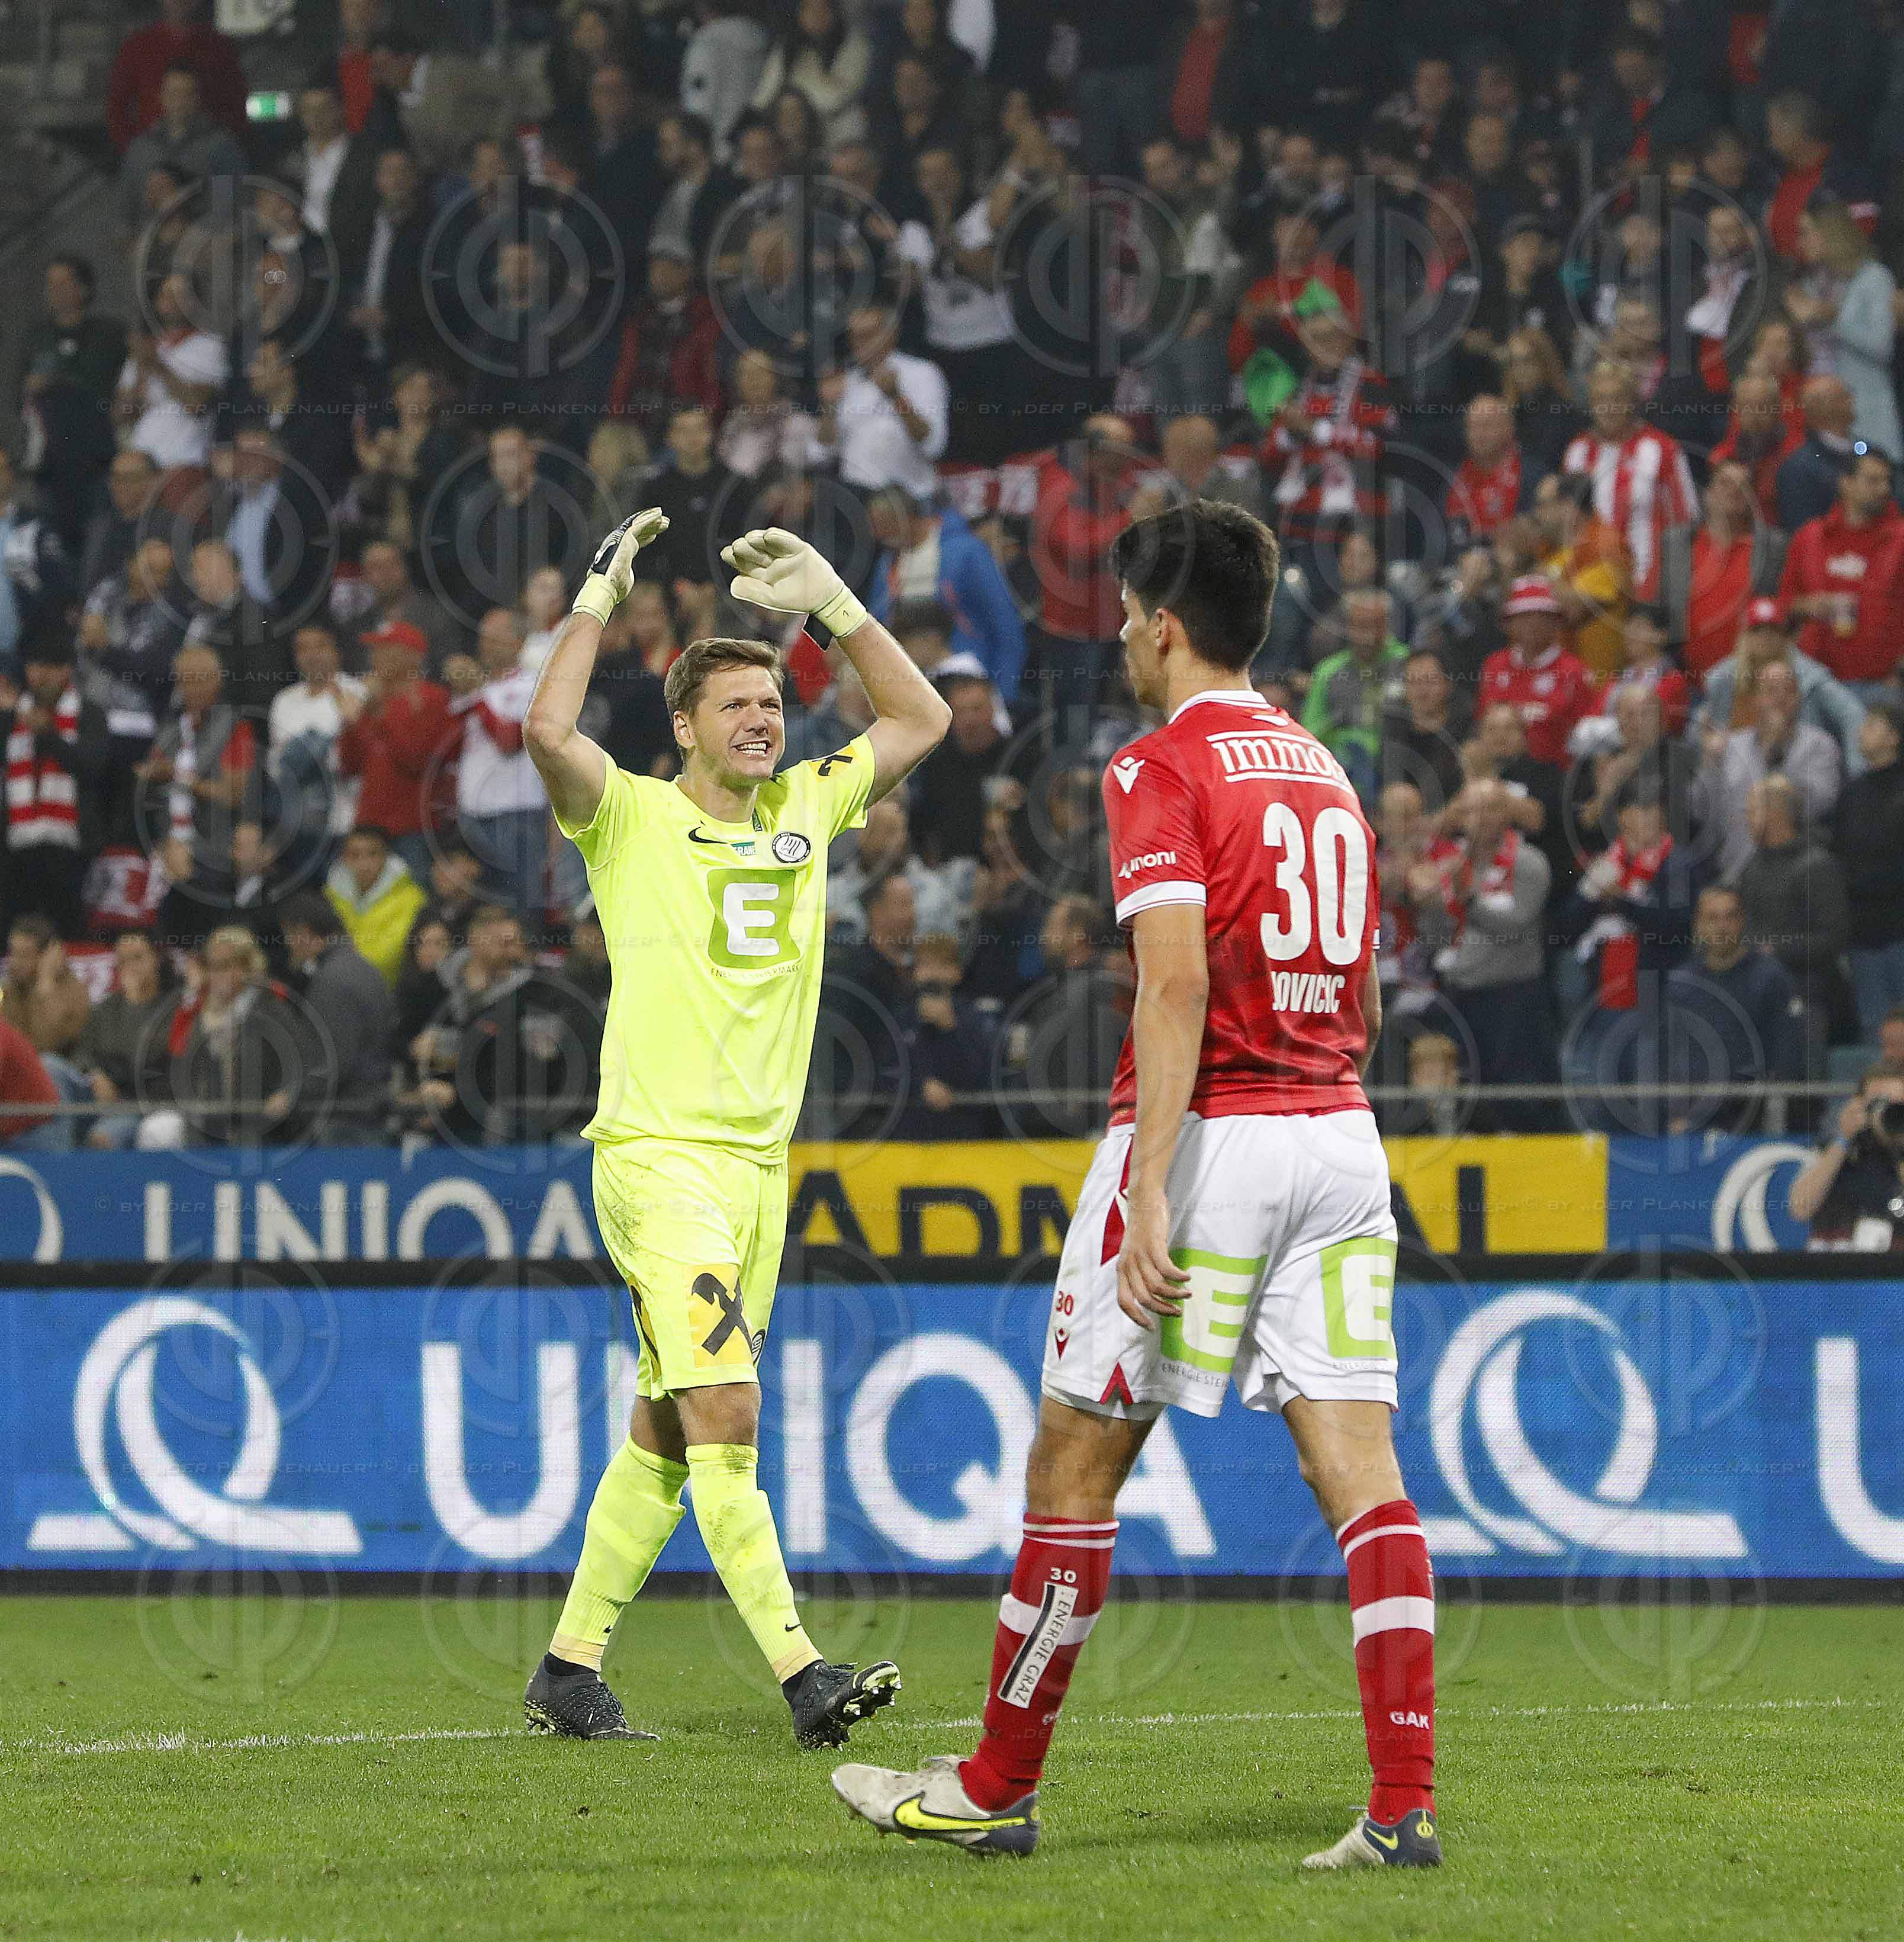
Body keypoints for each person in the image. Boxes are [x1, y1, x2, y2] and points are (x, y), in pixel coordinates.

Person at [832, 500, 1442, 1872]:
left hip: (1212, 1131)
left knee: (1074, 1459)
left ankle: (992, 1783)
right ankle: (1401, 1806)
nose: (1115, 631)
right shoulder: (1323, 768)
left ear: (1164, 625)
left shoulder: (1156, 766)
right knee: (1365, 1477)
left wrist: (1152, 1187)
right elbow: (1361, 990)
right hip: (1341, 1130)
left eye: (1122, 612)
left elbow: (1174, 983)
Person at [519, 509, 948, 1745]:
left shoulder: (812, 805)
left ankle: (569, 1664)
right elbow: (546, 730)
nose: (767, 718)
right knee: (729, 1414)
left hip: (759, 1172)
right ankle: (806, 1674)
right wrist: (599, 594)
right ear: (687, 727)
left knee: (666, 1423)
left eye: (775, 700)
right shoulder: (634, 818)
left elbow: (924, 720)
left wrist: (834, 607)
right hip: (659, 1163)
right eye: (739, 706)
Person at [1662, 884, 1799, 1137]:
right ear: (1699, 924)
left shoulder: (1768, 976)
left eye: (1730, 916)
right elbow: (1669, 1054)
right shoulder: (1680, 983)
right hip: (1690, 1112)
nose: (1722, 926)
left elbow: (1781, 1054)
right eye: (1712, 918)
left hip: (1749, 1111)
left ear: (1743, 921)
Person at [1562, 360, 1697, 602]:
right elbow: (1567, 522)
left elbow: (1684, 522)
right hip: (1587, 589)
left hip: (1646, 586)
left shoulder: (1662, 449)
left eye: (1617, 399)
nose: (1609, 408)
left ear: (1633, 402)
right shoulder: (1577, 453)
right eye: (1601, 399)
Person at [1777, 448, 1904, 696]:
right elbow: (1782, 604)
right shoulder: (1811, 537)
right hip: (1816, 684)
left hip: (1882, 686)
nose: (1884, 489)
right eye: (1873, 481)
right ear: (1846, 484)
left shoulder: (1900, 541)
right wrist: (1808, 606)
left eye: (1887, 481)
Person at [279, 891, 395, 1142]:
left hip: (347, 1119)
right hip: (370, 1110)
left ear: (304, 931)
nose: (288, 944)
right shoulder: (364, 968)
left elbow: (333, 1060)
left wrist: (292, 1096)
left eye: (289, 934)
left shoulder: (331, 981)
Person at [1836, 701, 1904, 1040]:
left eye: (1871, 724)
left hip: (1900, 930)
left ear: (1894, 737)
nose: (1862, 732)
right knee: (1874, 1032)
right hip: (1863, 933)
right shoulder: (1851, 793)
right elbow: (1841, 855)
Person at [1477, 577, 1596, 768]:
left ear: (1557, 623)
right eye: (1524, 617)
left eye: (1542, 616)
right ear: (1509, 624)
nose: (1533, 624)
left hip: (1552, 777)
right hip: (1495, 772)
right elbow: (1482, 722)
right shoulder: (1494, 665)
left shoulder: (1574, 671)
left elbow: (1586, 735)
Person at [1787, 1066, 1904, 1250]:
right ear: (1859, 1105)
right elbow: (1800, 1209)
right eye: (1880, 1104)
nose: (1888, 1112)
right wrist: (1842, 1139)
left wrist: (1897, 1143)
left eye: (1898, 1106)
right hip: (1835, 1268)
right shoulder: (1834, 1151)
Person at [324, 824, 425, 988]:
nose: (364, 863)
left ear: (387, 857)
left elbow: (389, 956)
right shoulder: (330, 896)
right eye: (355, 855)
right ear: (343, 859)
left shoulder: (412, 899)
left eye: (372, 854)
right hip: (336, 986)